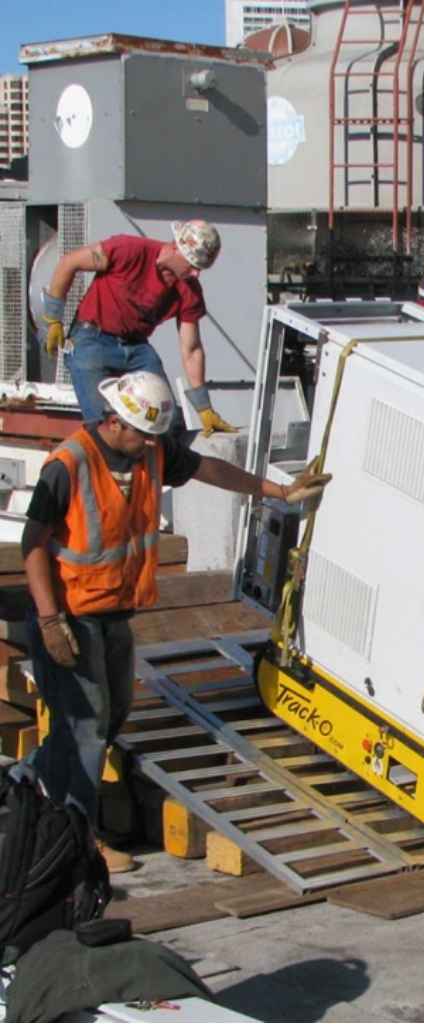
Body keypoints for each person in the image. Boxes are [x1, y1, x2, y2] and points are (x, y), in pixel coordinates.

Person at [12, 371, 331, 873]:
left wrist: (280, 491)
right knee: (88, 729)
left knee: (112, 716)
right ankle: (76, 843)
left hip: (114, 612)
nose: (147, 445)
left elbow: (209, 470)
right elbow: (33, 546)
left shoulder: (151, 453)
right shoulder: (69, 464)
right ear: (114, 421)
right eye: (140, 433)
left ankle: (24, 786)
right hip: (70, 617)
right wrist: (51, 621)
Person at [38, 220, 236, 437]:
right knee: (104, 427)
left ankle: (158, 466)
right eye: (191, 264)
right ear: (175, 248)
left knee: (164, 420)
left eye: (200, 269)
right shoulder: (129, 250)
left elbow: (192, 350)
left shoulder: (189, 290)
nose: (195, 274)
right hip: (91, 339)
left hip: (136, 347)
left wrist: (204, 408)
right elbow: (69, 262)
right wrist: (53, 319)